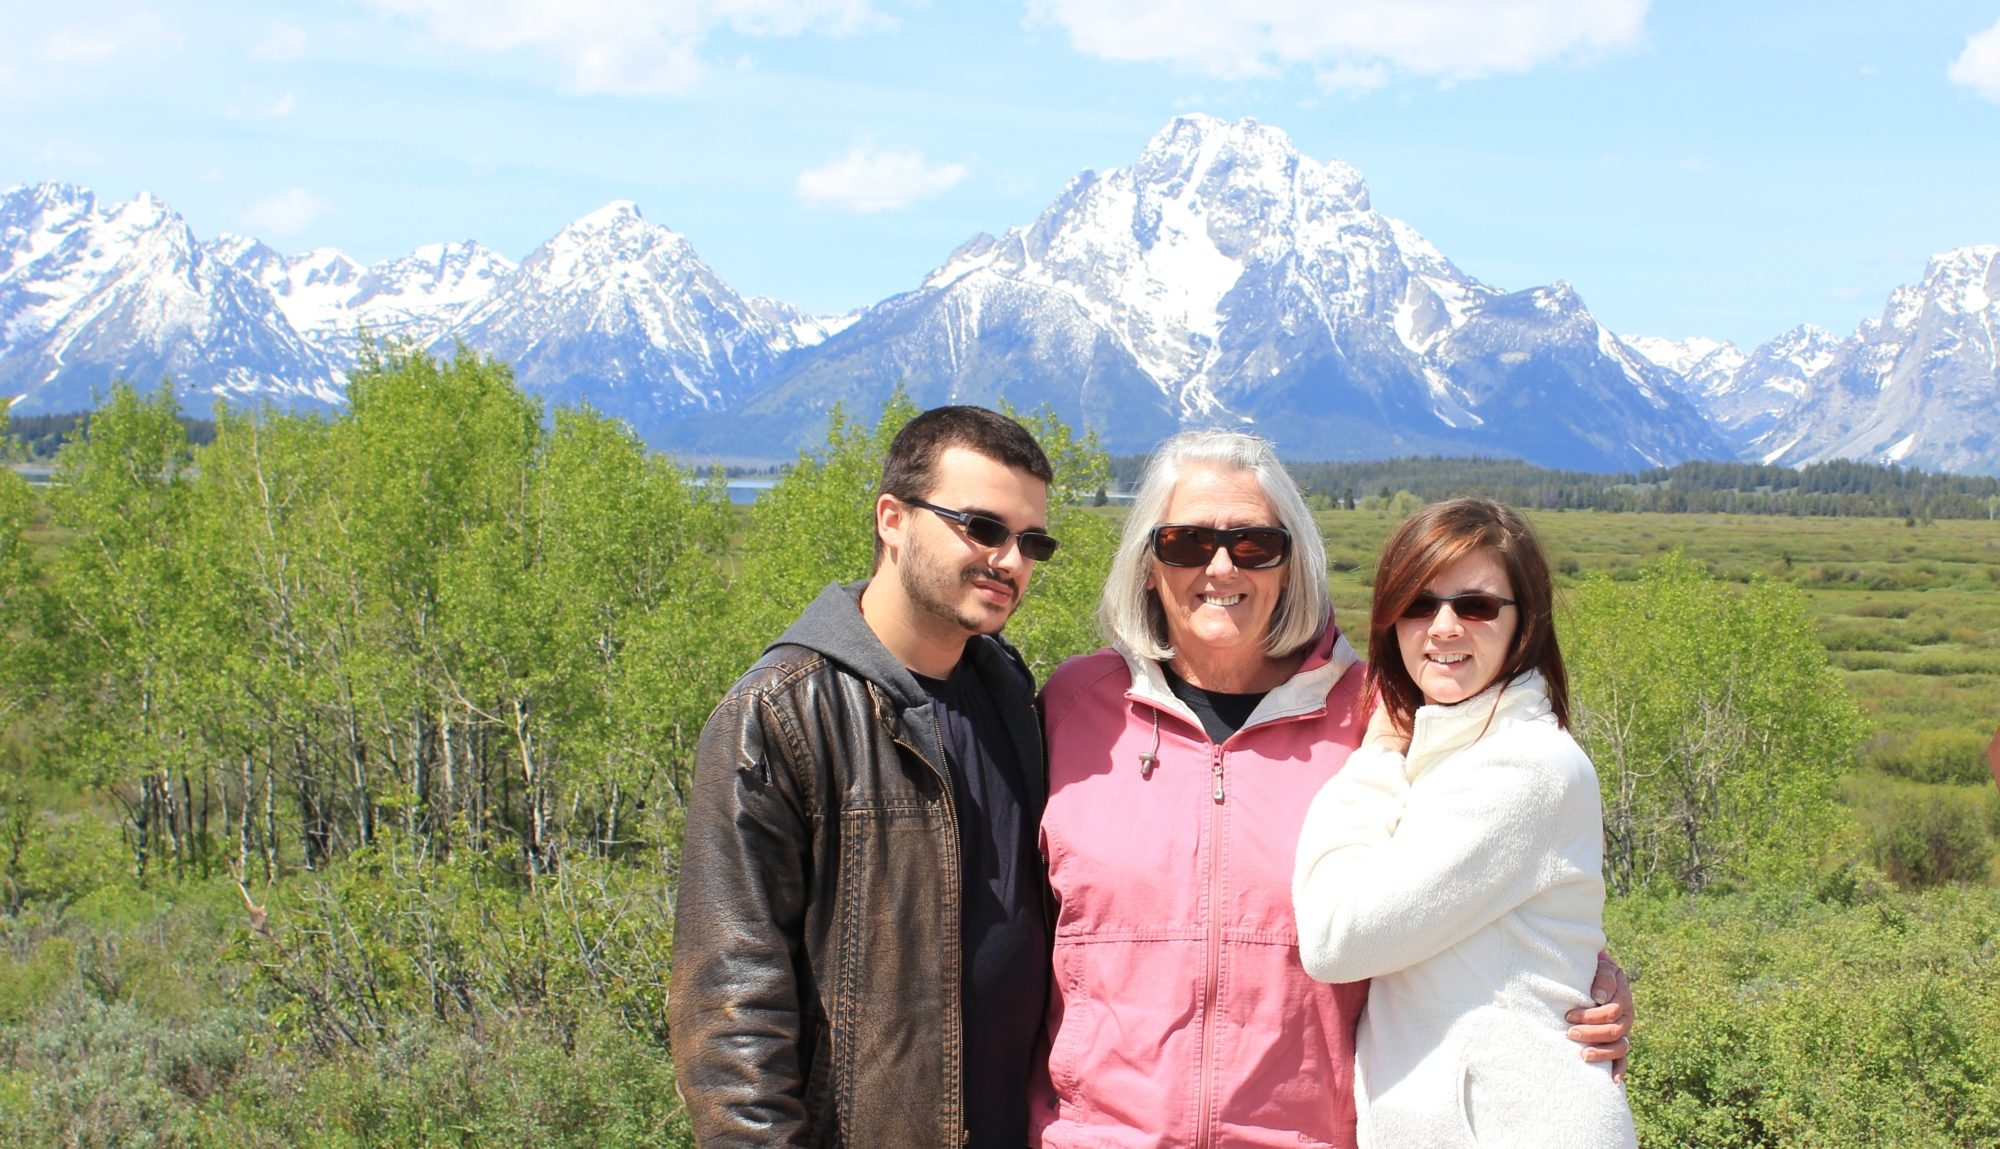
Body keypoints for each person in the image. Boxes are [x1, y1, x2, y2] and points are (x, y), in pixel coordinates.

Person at [1033, 434, 1630, 1148]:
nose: (1220, 566)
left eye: (1254, 544)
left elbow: (1490, 869)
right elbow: (1001, 917)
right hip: (1095, 1135)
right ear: (1147, 561)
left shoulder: (1385, 715)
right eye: (1185, 541)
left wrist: (1583, 977)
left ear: (1293, 564)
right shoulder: (1073, 706)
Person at [669, 406, 1059, 1147]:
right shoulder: (782, 713)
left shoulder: (1008, 689)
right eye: (982, 528)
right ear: (893, 519)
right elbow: (729, 1008)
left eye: (1031, 540)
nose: (1011, 560)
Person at [1292, 497, 1638, 1148]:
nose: (1443, 627)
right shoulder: (1458, 750)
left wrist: (1376, 755)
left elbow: (1336, 938)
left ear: (1525, 621)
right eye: (1419, 604)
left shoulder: (1523, 767)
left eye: (1476, 605)